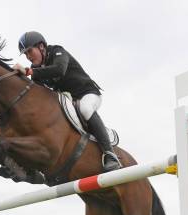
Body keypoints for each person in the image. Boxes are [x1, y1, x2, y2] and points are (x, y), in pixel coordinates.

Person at [14, 31, 121, 172]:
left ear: (41, 46)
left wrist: (28, 72)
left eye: (29, 51)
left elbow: (59, 70)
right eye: (25, 54)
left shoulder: (57, 51)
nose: (28, 57)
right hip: (70, 102)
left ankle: (110, 154)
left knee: (86, 109)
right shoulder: (35, 69)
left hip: (88, 93)